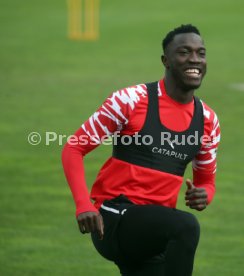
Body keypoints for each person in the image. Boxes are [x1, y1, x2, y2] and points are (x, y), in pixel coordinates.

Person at [62, 24, 220, 276]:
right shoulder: (130, 100)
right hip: (114, 218)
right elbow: (73, 148)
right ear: (165, 60)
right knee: (186, 226)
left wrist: (204, 195)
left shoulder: (208, 120)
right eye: (184, 52)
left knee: (179, 228)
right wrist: (83, 206)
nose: (194, 59)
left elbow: (206, 183)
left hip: (154, 231)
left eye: (201, 53)